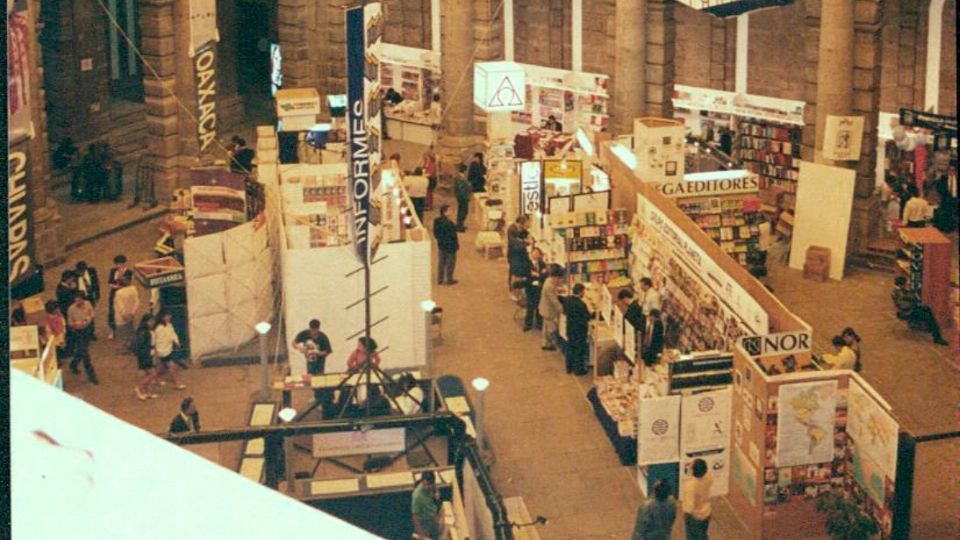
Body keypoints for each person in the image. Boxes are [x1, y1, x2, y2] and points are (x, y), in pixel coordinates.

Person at [892, 276, 949, 345]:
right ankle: (937, 337)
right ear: (901, 285)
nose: (906, 285)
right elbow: (905, 305)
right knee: (928, 317)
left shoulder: (901, 291)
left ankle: (930, 327)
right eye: (905, 284)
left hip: (910, 309)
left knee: (927, 309)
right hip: (908, 311)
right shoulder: (898, 293)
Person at [67, 292, 99, 385]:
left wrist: (87, 320)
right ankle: (92, 376)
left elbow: (92, 314)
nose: (77, 302)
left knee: (81, 351)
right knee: (85, 354)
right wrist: (76, 324)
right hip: (78, 333)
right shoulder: (71, 309)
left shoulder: (88, 304)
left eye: (79, 300)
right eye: (76, 300)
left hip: (87, 331)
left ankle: (73, 364)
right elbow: (69, 322)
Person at [564, 283, 593, 375]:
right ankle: (578, 370)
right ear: (580, 292)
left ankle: (569, 368)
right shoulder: (581, 304)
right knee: (579, 350)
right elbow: (587, 316)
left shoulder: (567, 300)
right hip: (579, 330)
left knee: (570, 347)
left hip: (570, 328)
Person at [681, 458, 714, 540]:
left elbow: (689, 508)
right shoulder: (708, 476)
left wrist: (685, 515)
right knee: (703, 534)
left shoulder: (690, 486)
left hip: (695, 517)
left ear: (693, 471)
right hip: (706, 511)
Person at [154, 310, 186, 389]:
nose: (169, 317)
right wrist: (158, 351)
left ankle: (155, 378)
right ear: (162, 317)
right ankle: (177, 383)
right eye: (167, 316)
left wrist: (176, 342)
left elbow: (173, 334)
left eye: (169, 316)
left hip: (168, 349)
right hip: (162, 351)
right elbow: (158, 340)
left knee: (160, 367)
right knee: (172, 366)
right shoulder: (159, 328)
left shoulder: (169, 325)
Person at [133, 315, 161, 401]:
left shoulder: (147, 331)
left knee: (148, 374)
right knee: (152, 374)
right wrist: (148, 353)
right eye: (150, 321)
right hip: (146, 355)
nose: (152, 323)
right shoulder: (144, 332)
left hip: (148, 354)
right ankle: (140, 388)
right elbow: (142, 346)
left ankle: (147, 392)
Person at [539, 265, 565, 351]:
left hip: (545, 308)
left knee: (546, 328)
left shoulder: (549, 281)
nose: (561, 280)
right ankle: (551, 344)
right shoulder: (549, 286)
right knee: (552, 329)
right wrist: (563, 310)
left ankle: (545, 343)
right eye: (560, 278)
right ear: (555, 277)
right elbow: (555, 302)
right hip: (548, 310)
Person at [522, 247, 548, 332]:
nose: (536, 254)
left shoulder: (542, 264)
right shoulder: (527, 264)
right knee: (530, 307)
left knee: (539, 307)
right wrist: (537, 275)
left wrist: (537, 275)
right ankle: (528, 324)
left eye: (538, 253)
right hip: (530, 288)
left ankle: (539, 324)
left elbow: (544, 276)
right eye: (534, 252)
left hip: (539, 288)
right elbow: (526, 274)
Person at [411, 470, 442, 540]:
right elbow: (415, 516)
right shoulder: (416, 496)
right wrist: (420, 533)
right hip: (424, 523)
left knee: (437, 536)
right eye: (425, 484)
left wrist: (437, 492)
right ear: (422, 481)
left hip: (433, 518)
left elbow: (435, 487)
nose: (427, 487)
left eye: (429, 485)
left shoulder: (431, 486)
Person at [434, 204, 459, 285]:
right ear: (445, 212)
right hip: (450, 245)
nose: (451, 212)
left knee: (441, 262)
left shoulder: (437, 221)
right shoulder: (449, 223)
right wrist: (456, 245)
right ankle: (449, 279)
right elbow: (453, 236)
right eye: (449, 210)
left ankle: (440, 279)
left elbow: (436, 234)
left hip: (441, 244)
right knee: (450, 263)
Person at [113, 270, 140, 344]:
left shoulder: (118, 293)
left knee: (122, 332)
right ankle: (131, 345)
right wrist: (132, 313)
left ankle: (124, 347)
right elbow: (137, 302)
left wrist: (124, 315)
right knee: (130, 330)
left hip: (121, 316)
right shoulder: (133, 289)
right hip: (131, 314)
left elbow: (120, 306)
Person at [107, 254, 130, 339]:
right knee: (112, 312)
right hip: (114, 294)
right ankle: (112, 330)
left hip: (124, 294)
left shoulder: (128, 272)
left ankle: (126, 330)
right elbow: (110, 282)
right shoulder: (113, 271)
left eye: (120, 263)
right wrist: (115, 287)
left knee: (125, 311)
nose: (118, 266)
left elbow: (127, 284)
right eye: (117, 264)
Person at [454, 163, 472, 231]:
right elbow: (462, 188)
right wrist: (469, 186)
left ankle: (460, 224)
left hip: (462, 197)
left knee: (462, 211)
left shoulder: (460, 177)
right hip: (463, 197)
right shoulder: (461, 178)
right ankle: (459, 226)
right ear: (464, 170)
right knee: (463, 211)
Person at [422, 144, 439, 210]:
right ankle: (427, 204)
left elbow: (430, 173)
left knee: (429, 193)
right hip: (428, 179)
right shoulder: (428, 164)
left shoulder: (432, 165)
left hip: (431, 180)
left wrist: (423, 174)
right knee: (427, 193)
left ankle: (429, 205)